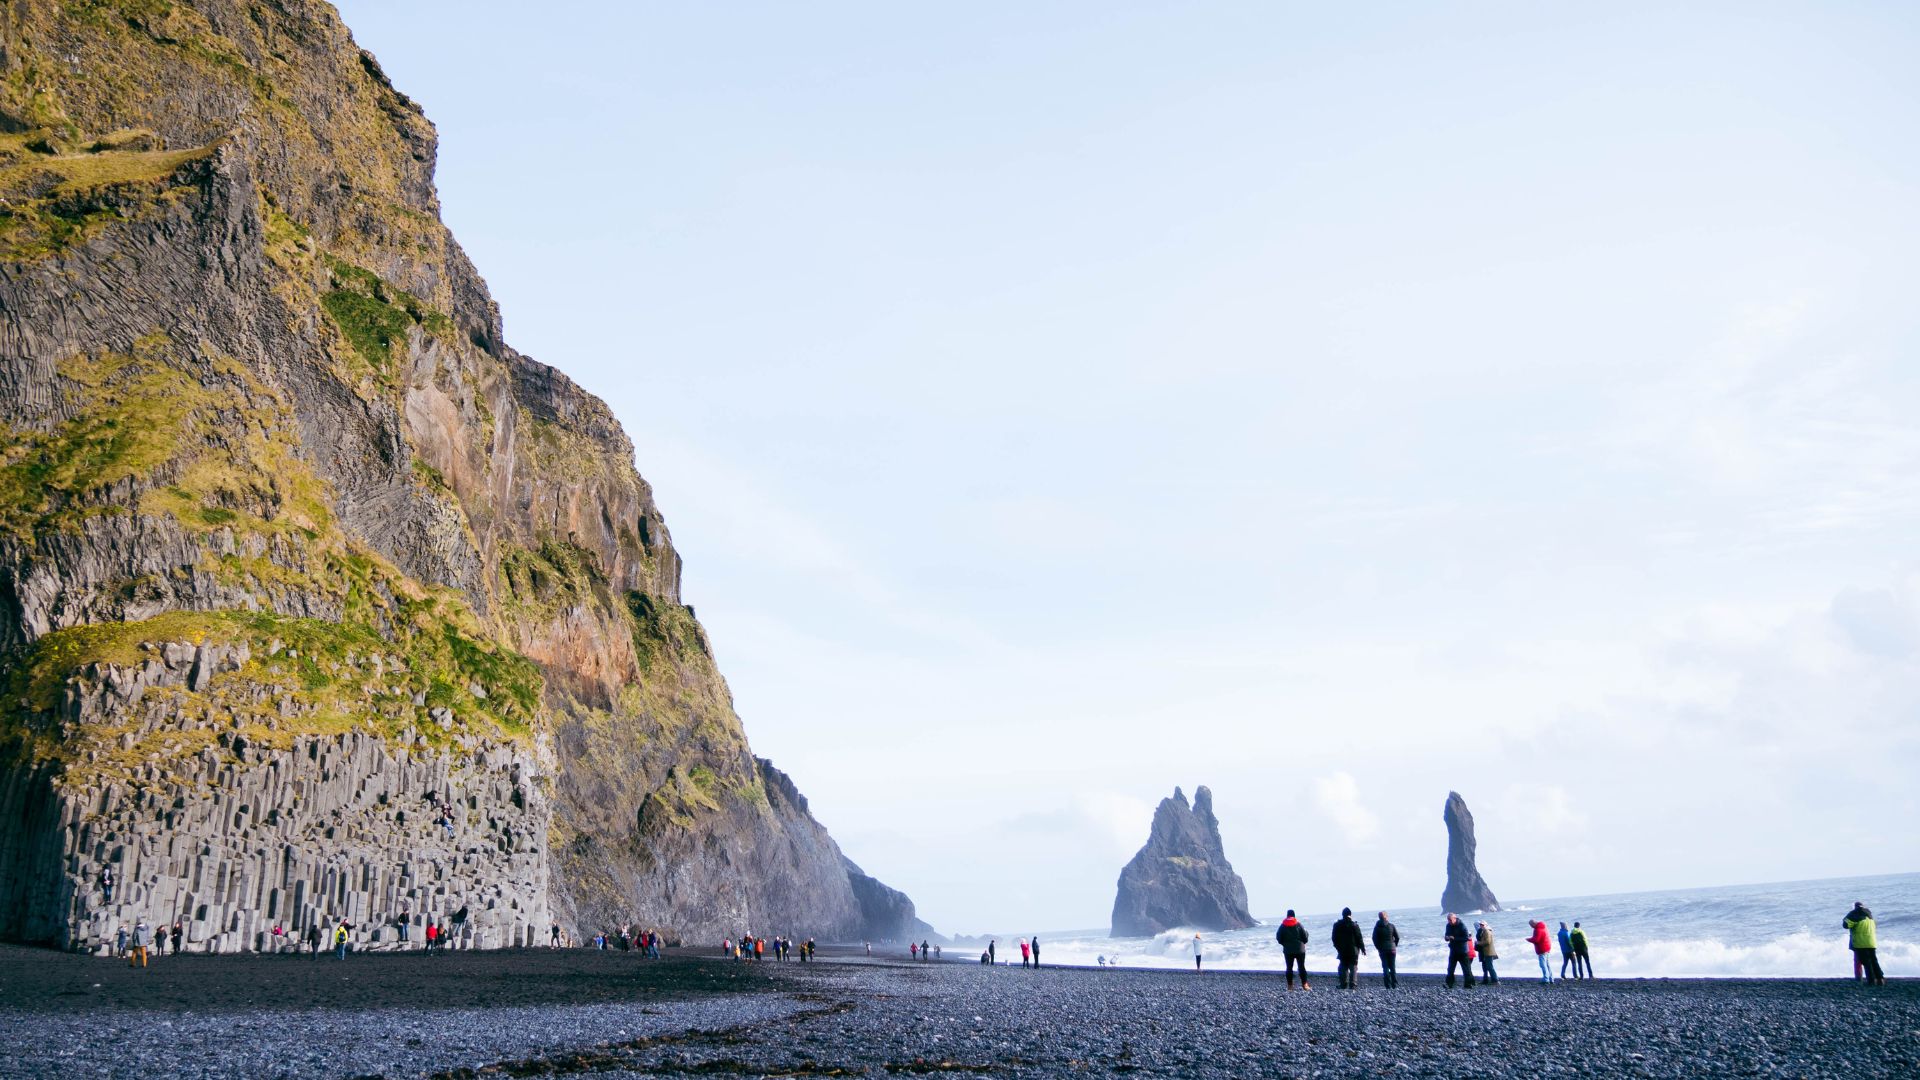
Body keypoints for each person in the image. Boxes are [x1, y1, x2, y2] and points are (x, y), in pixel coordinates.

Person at [1844, 903, 1885, 986]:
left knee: (1867, 962)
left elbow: (1846, 925)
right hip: (1871, 942)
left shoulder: (1855, 915)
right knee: (1874, 961)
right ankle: (1880, 979)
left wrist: (1849, 915)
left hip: (1861, 943)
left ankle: (1871, 980)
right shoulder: (1869, 916)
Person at [1331, 907, 1367, 989]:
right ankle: (1353, 984)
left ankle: (1344, 984)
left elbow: (1334, 938)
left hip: (1342, 949)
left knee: (1343, 966)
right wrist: (1363, 949)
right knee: (1353, 966)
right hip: (1353, 950)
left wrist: (1337, 947)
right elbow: (1359, 938)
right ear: (1350, 915)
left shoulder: (1337, 925)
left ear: (1342, 915)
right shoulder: (1354, 925)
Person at [1276, 909, 1311, 990]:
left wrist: (1284, 944)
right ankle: (1305, 985)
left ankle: (1290, 986)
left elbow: (1278, 938)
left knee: (1289, 968)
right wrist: (1303, 943)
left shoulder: (1282, 926)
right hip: (1300, 950)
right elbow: (1305, 937)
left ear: (1287, 916)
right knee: (1301, 967)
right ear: (1294, 915)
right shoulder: (1299, 924)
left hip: (1288, 950)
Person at [1444, 914, 1475, 988]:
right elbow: (1446, 936)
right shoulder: (1448, 925)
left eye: (1450, 920)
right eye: (1448, 920)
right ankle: (1449, 984)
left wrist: (1454, 938)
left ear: (1455, 918)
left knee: (1466, 968)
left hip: (1462, 951)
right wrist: (1447, 938)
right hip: (1453, 950)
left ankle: (1468, 984)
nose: (1449, 921)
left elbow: (1466, 938)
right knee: (1450, 968)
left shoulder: (1462, 925)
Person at [1372, 912, 1400, 989]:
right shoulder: (1391, 926)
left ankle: (1387, 984)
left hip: (1382, 949)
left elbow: (1374, 939)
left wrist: (1378, 947)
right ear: (1386, 917)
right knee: (1392, 966)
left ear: (1379, 917)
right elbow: (1397, 937)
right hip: (1392, 949)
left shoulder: (1377, 927)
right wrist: (1395, 945)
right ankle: (1394, 983)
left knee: (1385, 967)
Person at [1529, 920, 1554, 984]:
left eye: (1531, 925)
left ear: (1534, 923)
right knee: (1547, 964)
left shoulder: (1538, 929)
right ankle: (1551, 978)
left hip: (1542, 948)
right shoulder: (1543, 927)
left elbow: (1536, 940)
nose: (1531, 927)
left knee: (1543, 964)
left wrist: (1529, 939)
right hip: (1547, 948)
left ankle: (1546, 979)